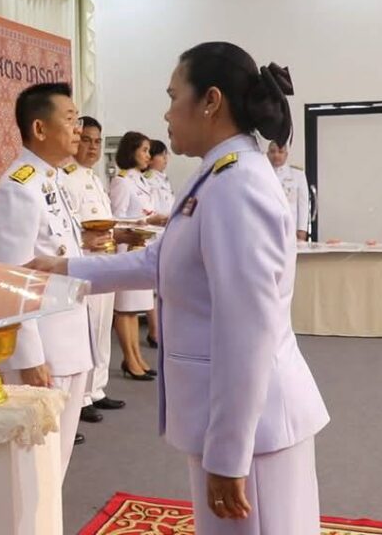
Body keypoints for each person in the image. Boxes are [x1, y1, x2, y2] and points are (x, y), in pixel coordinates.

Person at [28, 42, 329, 534]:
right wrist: (61, 268)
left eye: (173, 97)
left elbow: (248, 331)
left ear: (210, 101)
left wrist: (229, 453)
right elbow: (159, 261)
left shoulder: (237, 185)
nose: (166, 114)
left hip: (252, 427)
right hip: (233, 417)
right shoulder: (217, 174)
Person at [0, 82, 108, 471]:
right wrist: (29, 356)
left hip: (70, 345)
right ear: (39, 128)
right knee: (35, 468)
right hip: (46, 353)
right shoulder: (18, 188)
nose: (78, 129)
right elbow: (12, 279)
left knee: (56, 464)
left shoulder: (51, 179)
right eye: (70, 119)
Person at [62, 116, 127, 425]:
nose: (92, 147)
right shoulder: (66, 178)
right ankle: (83, 396)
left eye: (97, 141)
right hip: (85, 262)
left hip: (105, 260)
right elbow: (67, 227)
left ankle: (98, 388)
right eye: (86, 140)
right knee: (87, 329)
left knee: (102, 328)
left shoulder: (95, 178)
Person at [109, 131, 163, 380]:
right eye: (144, 150)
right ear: (131, 151)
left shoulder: (141, 180)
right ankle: (130, 360)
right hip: (127, 249)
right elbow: (115, 218)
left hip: (142, 247)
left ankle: (137, 358)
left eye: (148, 151)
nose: (148, 155)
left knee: (135, 309)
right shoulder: (121, 181)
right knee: (125, 309)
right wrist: (141, 223)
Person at [143, 138, 174, 348]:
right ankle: (154, 331)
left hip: (165, 234)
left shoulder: (163, 180)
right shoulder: (149, 180)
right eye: (161, 155)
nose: (165, 159)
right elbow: (151, 210)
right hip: (154, 235)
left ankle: (160, 329)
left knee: (161, 287)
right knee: (152, 289)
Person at [268, 141, 309, 242]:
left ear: (286, 155)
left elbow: (303, 204)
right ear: (267, 154)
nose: (276, 155)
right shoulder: (262, 174)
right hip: (268, 227)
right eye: (272, 152)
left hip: (291, 227)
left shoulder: (297, 174)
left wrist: (302, 229)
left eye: (280, 152)